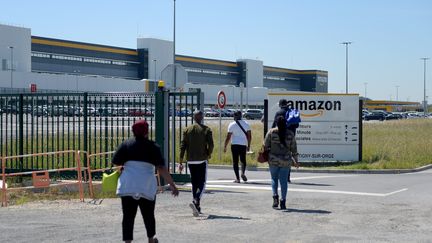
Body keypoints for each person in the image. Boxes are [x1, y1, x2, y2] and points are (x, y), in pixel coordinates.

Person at [112, 120, 179, 243]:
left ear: (133, 131)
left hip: (128, 186)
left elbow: (116, 162)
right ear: (146, 131)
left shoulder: (125, 145)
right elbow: (161, 168)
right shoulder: (153, 147)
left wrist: (122, 168)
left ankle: (127, 241)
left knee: (128, 216)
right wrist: (172, 184)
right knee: (148, 215)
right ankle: (151, 239)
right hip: (146, 186)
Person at [179, 110, 214, 216]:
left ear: (194, 118)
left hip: (190, 160)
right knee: (202, 183)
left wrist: (181, 161)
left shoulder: (187, 130)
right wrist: (208, 154)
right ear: (202, 117)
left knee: (194, 183)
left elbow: (182, 146)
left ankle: (197, 207)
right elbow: (211, 145)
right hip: (202, 159)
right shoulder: (206, 129)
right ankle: (196, 200)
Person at [264, 116, 299, 210]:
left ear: (276, 122)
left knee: (274, 179)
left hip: (273, 159)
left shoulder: (271, 132)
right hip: (286, 160)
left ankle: (275, 197)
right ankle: (283, 201)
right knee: (283, 181)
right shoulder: (290, 134)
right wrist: (296, 160)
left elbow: (265, 145)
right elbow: (294, 149)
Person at [271, 99, 298, 183]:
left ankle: (279, 175)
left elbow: (274, 125)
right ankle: (287, 176)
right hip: (290, 136)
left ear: (280, 104)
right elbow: (296, 125)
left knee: (278, 154)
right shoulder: (292, 112)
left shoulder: (279, 113)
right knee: (288, 156)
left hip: (280, 136)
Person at [223, 111, 252, 183]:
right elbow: (249, 136)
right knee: (243, 160)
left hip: (234, 144)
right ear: (241, 116)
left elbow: (228, 137)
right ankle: (243, 173)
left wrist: (225, 146)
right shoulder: (246, 124)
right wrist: (248, 145)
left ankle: (237, 178)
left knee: (235, 162)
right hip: (243, 144)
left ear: (235, 116)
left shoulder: (231, 125)